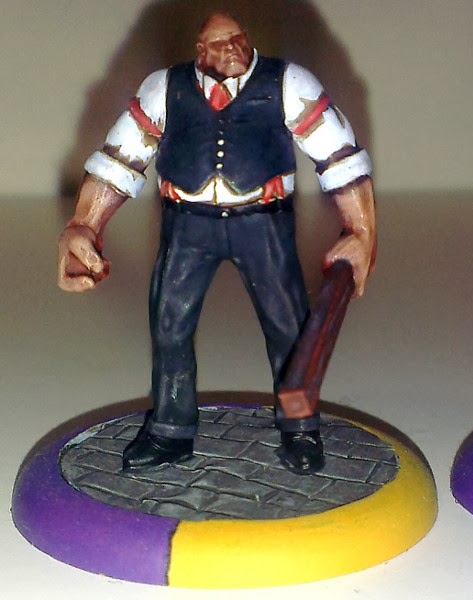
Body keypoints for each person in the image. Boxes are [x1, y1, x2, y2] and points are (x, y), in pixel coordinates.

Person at [57, 13, 376, 475]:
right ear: (199, 50)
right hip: (187, 227)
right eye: (218, 43)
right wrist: (85, 225)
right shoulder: (164, 89)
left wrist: (361, 231)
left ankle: (300, 428)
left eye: (238, 40)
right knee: (169, 325)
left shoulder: (288, 84)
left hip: (263, 225)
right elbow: (119, 162)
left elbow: (340, 158)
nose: (231, 50)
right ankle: (169, 431)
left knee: (288, 328)